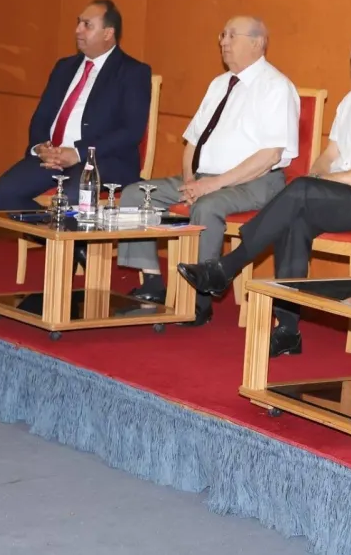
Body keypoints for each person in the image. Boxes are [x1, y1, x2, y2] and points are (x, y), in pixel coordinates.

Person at [178, 22, 351, 357]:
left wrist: (319, 184)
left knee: (300, 193)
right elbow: (329, 156)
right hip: (340, 194)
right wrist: (318, 179)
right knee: (294, 215)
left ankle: (228, 267)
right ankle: (288, 330)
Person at [121, 16, 299, 327]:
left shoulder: (275, 87)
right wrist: (190, 180)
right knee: (135, 194)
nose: (223, 42)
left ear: (257, 43)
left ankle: (198, 301)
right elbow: (192, 141)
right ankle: (152, 282)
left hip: (257, 181)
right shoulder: (219, 84)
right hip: (204, 179)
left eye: (232, 35)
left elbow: (270, 155)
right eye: (222, 35)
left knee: (207, 205)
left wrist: (211, 185)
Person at [0, 0, 151, 212]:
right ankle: (51, 229)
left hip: (101, 161)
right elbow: (41, 117)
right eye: (78, 23)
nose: (77, 30)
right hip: (53, 158)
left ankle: (63, 230)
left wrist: (78, 153)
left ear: (108, 33)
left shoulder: (132, 72)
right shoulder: (64, 67)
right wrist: (40, 148)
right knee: (1, 194)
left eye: (87, 25)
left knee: (71, 198)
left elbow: (131, 131)